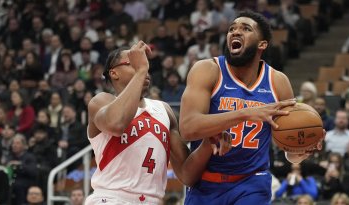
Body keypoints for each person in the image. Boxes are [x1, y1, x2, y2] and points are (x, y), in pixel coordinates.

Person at [179, 11, 323, 205]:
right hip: (206, 183)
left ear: (262, 44)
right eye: (232, 29)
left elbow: (289, 152)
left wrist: (303, 148)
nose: (235, 32)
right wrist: (248, 113)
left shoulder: (278, 82)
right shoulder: (207, 70)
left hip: (252, 182)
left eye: (245, 29)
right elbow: (188, 128)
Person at [85, 42, 231, 205]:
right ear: (114, 73)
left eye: (144, 63)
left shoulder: (164, 110)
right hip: (111, 198)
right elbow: (117, 124)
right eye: (133, 62)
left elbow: (186, 175)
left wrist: (207, 142)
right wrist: (140, 71)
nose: (144, 67)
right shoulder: (101, 101)